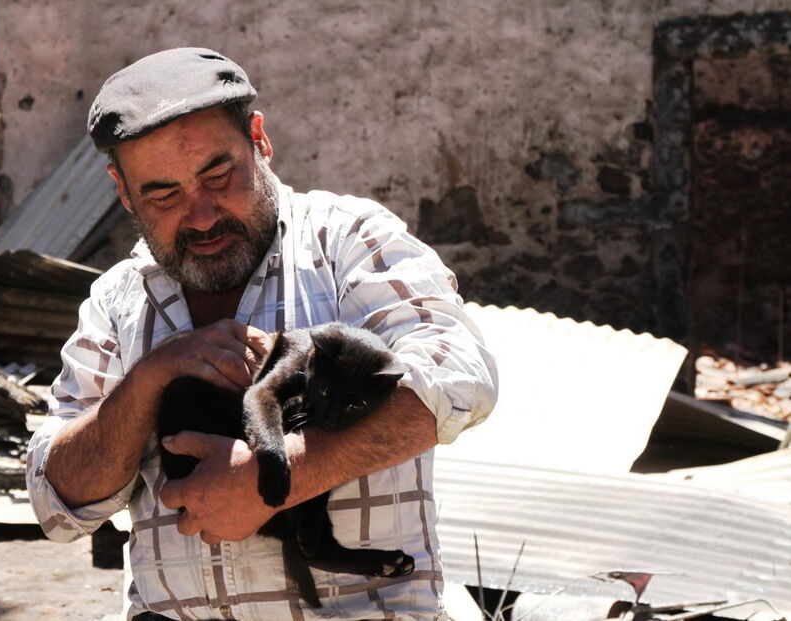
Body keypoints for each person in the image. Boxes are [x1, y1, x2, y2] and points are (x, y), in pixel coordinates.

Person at [26, 47, 497, 620]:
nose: (200, 215)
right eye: (163, 194)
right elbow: (58, 505)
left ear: (259, 139)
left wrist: (277, 477)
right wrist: (151, 377)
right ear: (123, 191)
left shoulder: (345, 241)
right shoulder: (118, 300)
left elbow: (460, 375)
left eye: (218, 175)